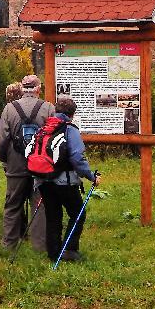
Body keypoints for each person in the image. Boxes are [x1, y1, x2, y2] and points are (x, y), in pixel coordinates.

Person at [30, 96, 101, 262]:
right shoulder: (70, 130)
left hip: (43, 180)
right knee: (78, 213)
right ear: (72, 114)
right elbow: (77, 157)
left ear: (56, 111)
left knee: (53, 216)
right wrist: (91, 176)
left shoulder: (44, 128)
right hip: (64, 182)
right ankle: (69, 250)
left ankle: (53, 253)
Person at [0, 74, 54, 250]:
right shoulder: (48, 108)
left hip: (15, 163)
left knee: (12, 204)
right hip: (40, 165)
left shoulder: (9, 109)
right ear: (38, 89)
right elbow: (53, 138)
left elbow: (2, 140)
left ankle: (9, 244)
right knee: (39, 204)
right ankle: (39, 245)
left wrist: (5, 160)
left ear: (21, 89)